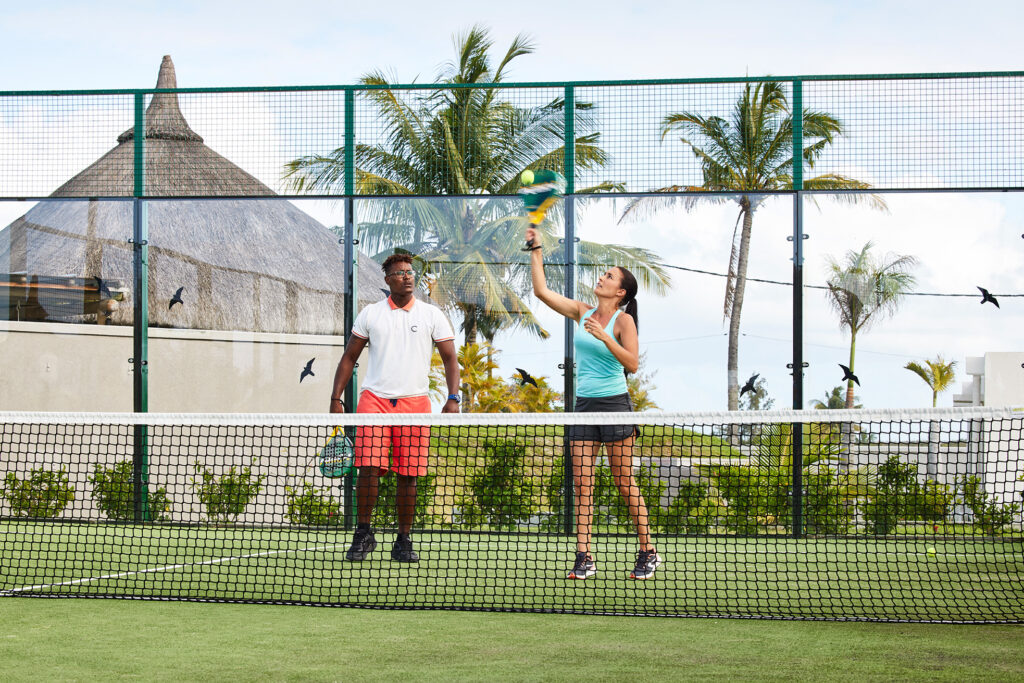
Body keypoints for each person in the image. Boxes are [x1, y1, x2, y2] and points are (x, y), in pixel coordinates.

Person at [525, 226, 661, 580]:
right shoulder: (582, 312)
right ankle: (584, 557)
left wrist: (606, 337)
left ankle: (648, 550)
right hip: (584, 405)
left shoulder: (624, 320)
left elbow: (631, 363)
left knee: (622, 481)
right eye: (603, 273)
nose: (602, 277)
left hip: (615, 405)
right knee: (582, 484)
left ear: (621, 292)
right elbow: (541, 292)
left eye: (609, 276)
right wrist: (536, 249)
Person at [330, 253, 461, 563]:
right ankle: (363, 533)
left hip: (415, 403)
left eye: (410, 272)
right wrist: (336, 398)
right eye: (400, 273)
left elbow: (450, 359)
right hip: (373, 400)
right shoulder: (370, 314)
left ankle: (403, 540)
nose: (408, 277)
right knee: (368, 467)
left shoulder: (432, 315)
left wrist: (453, 398)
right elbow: (350, 357)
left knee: (409, 474)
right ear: (387, 279)